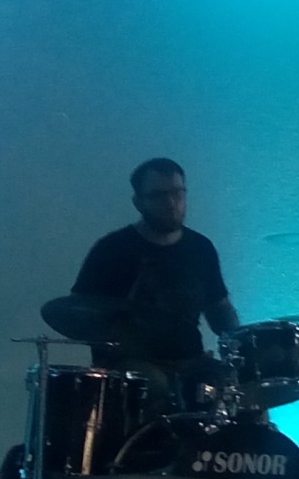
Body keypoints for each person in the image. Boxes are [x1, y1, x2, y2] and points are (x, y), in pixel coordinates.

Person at [70, 158, 240, 399]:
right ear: (138, 202)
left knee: (244, 390)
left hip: (190, 361)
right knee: (154, 385)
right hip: (130, 363)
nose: (171, 203)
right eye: (159, 195)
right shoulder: (112, 250)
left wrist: (241, 348)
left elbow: (219, 308)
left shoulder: (201, 248)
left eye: (177, 193)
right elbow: (80, 313)